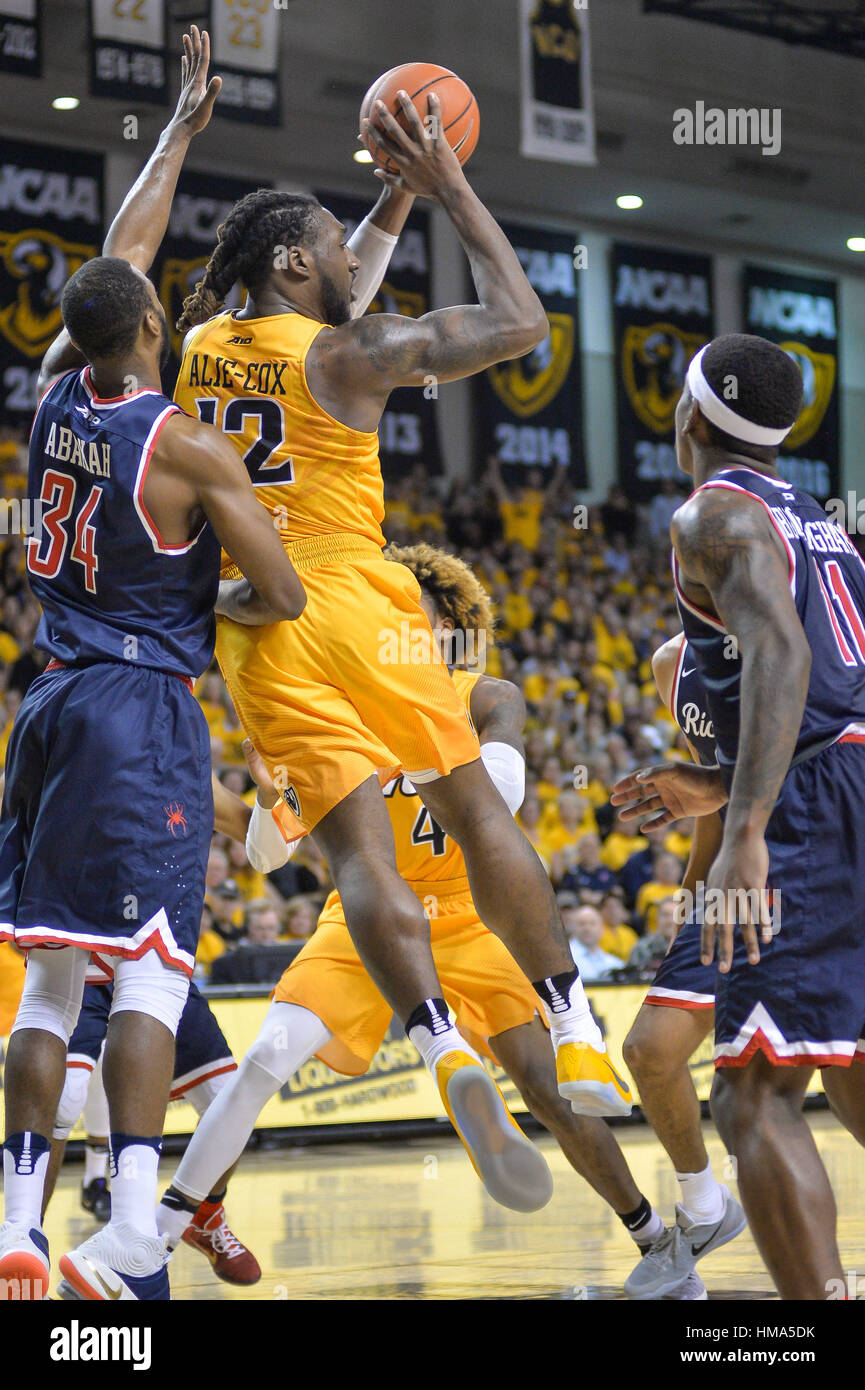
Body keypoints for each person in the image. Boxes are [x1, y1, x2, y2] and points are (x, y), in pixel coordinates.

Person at [171, 85, 630, 1196]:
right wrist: (451, 190)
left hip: (251, 627)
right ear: (292, 263)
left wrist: (386, 201)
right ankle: (571, 1021)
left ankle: (437, 1042)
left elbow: (334, 291)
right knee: (472, 803)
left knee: (357, 861)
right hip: (355, 598)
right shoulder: (353, 356)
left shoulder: (193, 348)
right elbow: (518, 323)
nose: (352, 258)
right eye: (330, 245)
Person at [156, 544, 704, 1296]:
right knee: (262, 1064)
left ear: (445, 620)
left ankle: (654, 1237)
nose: (383, 606)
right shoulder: (333, 704)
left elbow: (501, 798)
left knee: (550, 1090)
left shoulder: (485, 694)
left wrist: (410, 739)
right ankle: (157, 1235)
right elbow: (274, 858)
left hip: (472, 915)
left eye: (402, 598)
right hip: (364, 917)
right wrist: (273, 793)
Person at [0, 27, 305, 1303]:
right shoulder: (189, 451)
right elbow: (280, 590)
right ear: (153, 335)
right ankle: (130, 1227)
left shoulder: (57, 390)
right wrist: (217, 585)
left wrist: (178, 127)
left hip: (50, 702)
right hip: (140, 707)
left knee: (45, 982)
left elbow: (125, 249)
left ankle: (16, 1219)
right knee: (151, 968)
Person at [612, 332, 865, 1300]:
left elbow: (788, 660)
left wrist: (747, 826)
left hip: (810, 800)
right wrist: (714, 784)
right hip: (843, 779)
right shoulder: (818, 518)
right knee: (843, 1058)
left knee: (754, 1087)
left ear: (686, 416)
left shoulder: (711, 513)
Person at [564, 905, 623, 983]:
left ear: (602, 929)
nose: (587, 928)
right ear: (573, 928)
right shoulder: (564, 960)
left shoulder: (615, 964)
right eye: (582, 924)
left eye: (592, 923)